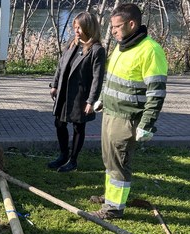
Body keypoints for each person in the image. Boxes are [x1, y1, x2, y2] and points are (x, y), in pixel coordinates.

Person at [89, 4, 168, 219]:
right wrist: (102, 99)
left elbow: (156, 92)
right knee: (110, 160)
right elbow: (116, 79)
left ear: (131, 24)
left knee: (119, 164)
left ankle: (113, 209)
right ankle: (111, 197)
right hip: (110, 113)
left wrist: (147, 124)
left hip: (127, 118)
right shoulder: (123, 45)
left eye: (116, 26)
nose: (112, 31)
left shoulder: (150, 50)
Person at [48, 12, 106, 172]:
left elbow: (97, 78)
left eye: (79, 27)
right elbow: (61, 65)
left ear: (88, 27)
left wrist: (91, 101)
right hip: (64, 93)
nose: (76, 30)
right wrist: (54, 85)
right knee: (59, 123)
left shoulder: (97, 50)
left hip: (81, 96)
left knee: (78, 127)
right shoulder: (72, 43)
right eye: (75, 27)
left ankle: (73, 161)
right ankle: (63, 155)